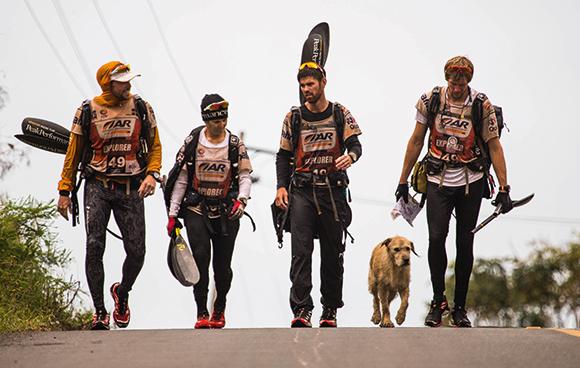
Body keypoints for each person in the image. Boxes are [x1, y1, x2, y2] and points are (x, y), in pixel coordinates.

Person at [395, 56, 513, 328]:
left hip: (471, 180)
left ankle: (460, 307)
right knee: (436, 239)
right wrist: (402, 180)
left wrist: (505, 187)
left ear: (468, 82)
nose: (457, 88)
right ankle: (439, 302)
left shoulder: (481, 105)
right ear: (447, 79)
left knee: (464, 243)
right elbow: (416, 140)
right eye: (453, 82)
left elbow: (494, 146)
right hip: (438, 179)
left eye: (462, 83)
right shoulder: (431, 100)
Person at [57, 61, 162, 330]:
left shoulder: (141, 107)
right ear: (107, 83)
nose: (128, 85)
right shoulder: (87, 111)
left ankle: (122, 292)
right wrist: (64, 190)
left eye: (129, 80)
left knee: (137, 251)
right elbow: (73, 152)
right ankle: (100, 311)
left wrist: (152, 174)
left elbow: (155, 146)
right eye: (122, 81)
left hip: (131, 187)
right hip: (98, 187)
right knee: (94, 246)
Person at [275, 62, 362, 328]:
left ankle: (330, 309)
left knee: (333, 252)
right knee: (301, 251)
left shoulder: (339, 113)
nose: (306, 90)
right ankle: (302, 309)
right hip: (301, 190)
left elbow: (356, 145)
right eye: (302, 86)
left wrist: (351, 157)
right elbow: (283, 155)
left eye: (310, 84)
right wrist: (280, 187)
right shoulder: (294, 117)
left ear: (323, 83)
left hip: (333, 192)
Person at [165, 94, 252, 329]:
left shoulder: (235, 145)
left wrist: (241, 201)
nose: (221, 124)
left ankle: (219, 306)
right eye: (215, 120)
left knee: (222, 267)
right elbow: (181, 180)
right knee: (200, 259)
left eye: (224, 119)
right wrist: (173, 215)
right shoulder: (193, 142)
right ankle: (201, 311)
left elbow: (244, 177)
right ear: (206, 120)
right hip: (196, 209)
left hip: (226, 212)